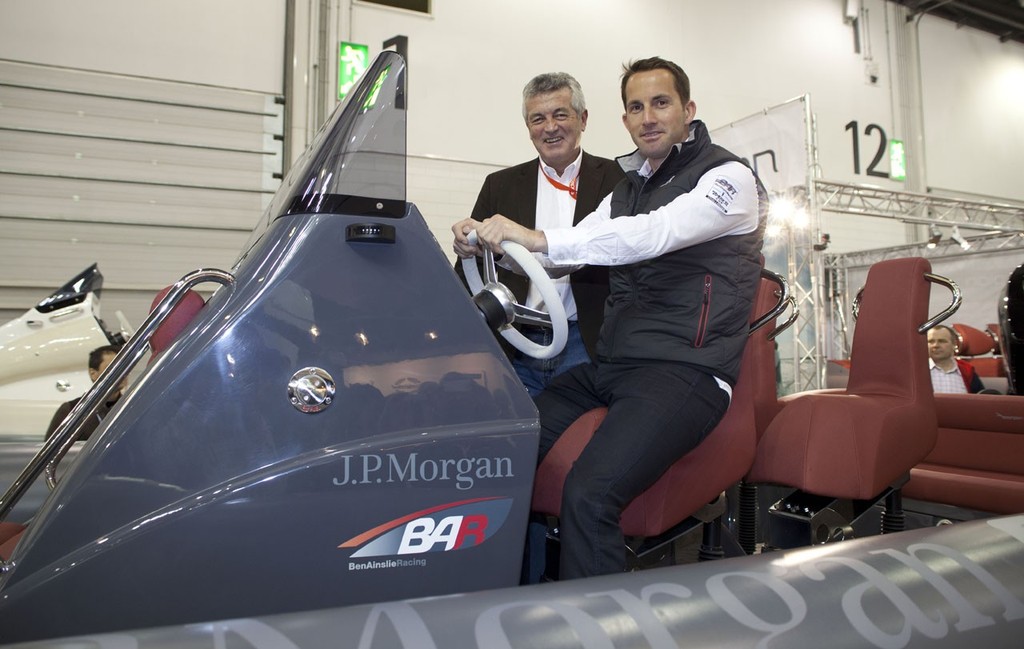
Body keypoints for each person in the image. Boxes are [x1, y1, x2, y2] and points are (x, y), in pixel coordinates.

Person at [453, 56, 766, 579]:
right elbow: (569, 256)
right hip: (616, 364)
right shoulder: (628, 188)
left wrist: (533, 235)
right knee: (503, 453)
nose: (647, 117)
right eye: (636, 107)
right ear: (623, 120)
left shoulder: (729, 178)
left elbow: (654, 234)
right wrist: (488, 248)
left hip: (685, 370)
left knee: (589, 493)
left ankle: (596, 627)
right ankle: (488, 594)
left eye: (660, 103)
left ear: (688, 110)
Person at [456, 72, 624, 397]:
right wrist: (466, 247)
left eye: (560, 114)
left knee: (572, 442)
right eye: (538, 118)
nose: (550, 127)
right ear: (528, 127)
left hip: (586, 344)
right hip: (514, 344)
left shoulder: (618, 181)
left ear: (583, 119)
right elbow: (469, 274)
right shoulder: (500, 185)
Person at [45, 343, 126, 441]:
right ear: (93, 374)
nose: (121, 371)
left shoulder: (131, 407)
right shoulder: (72, 411)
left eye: (124, 366)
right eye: (112, 368)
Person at [927, 325, 984, 393]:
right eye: (931, 341)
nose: (935, 345)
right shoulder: (916, 371)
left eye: (942, 341)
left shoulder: (967, 371)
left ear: (954, 344)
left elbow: (981, 400)